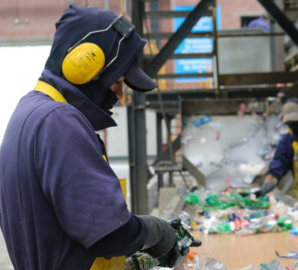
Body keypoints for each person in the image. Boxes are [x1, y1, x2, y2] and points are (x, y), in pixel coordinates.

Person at [0, 5, 197, 270]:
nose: (120, 95)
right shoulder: (59, 121)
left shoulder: (31, 112)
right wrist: (157, 231)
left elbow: (63, 233)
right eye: (117, 80)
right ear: (84, 64)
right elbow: (110, 234)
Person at [256, 98, 298, 201]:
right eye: (289, 122)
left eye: (295, 121)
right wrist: (267, 184)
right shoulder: (287, 142)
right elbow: (278, 164)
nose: (293, 125)